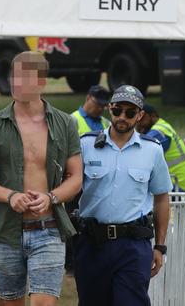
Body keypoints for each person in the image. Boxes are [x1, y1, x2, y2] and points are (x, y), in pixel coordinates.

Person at [0, 51, 82, 306]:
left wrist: (50, 197)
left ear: (41, 81)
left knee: (44, 302)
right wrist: (10, 196)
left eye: (24, 77)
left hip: (49, 228)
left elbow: (76, 178)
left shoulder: (65, 124)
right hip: (7, 231)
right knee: (10, 303)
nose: (16, 82)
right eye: (14, 76)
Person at [74, 85, 172, 306]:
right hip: (92, 243)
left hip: (133, 246)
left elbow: (161, 198)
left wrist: (160, 246)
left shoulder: (152, 150)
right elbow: (67, 184)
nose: (122, 117)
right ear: (109, 109)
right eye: (118, 110)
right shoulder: (86, 145)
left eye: (130, 112)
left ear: (140, 115)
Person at [65, 84, 110, 274]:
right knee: (72, 220)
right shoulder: (72, 120)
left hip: (98, 180)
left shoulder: (107, 123)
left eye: (103, 105)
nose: (100, 108)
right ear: (88, 98)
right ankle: (71, 263)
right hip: (74, 178)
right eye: (97, 103)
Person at [136, 104, 185, 192]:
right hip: (180, 181)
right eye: (136, 117)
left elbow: (138, 150)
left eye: (142, 117)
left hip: (177, 184)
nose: (138, 121)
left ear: (152, 116)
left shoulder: (158, 132)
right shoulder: (163, 125)